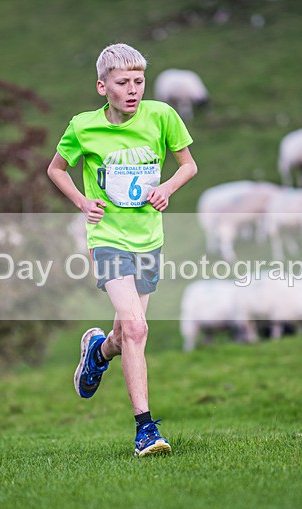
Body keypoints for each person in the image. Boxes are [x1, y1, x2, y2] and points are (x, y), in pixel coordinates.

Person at [46, 43, 198, 456]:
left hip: (148, 239)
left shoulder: (162, 116)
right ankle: (145, 430)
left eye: (139, 81)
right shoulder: (83, 127)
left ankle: (98, 352)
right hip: (107, 239)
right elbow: (55, 169)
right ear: (102, 86)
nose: (133, 90)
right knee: (136, 328)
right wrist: (81, 201)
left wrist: (167, 188)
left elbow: (188, 165)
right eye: (123, 83)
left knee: (123, 334)